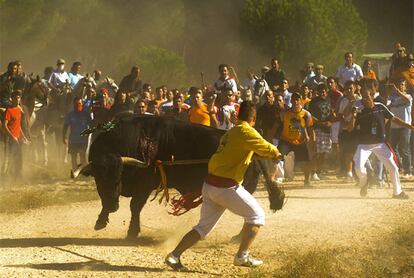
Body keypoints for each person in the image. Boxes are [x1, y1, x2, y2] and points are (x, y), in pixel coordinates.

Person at [165, 101, 283, 271]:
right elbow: (265, 146)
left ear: (238, 115)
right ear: (253, 119)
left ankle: (174, 256)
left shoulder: (232, 132)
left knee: (202, 228)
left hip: (210, 185)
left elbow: (249, 148)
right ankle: (242, 256)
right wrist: (277, 154)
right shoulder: (246, 131)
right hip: (225, 188)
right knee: (257, 217)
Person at [350, 88, 412, 199]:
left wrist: (409, 126)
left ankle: (397, 192)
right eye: (363, 97)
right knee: (358, 167)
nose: (365, 99)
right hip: (364, 145)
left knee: (393, 167)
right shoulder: (359, 111)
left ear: (372, 96)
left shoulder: (380, 107)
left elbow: (394, 118)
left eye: (367, 97)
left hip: (380, 144)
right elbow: (350, 128)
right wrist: (353, 115)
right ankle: (364, 182)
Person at [278, 93, 314, 186]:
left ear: (301, 101)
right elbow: (280, 122)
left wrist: (312, 141)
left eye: (298, 99)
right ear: (291, 101)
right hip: (286, 140)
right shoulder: (285, 113)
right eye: (294, 99)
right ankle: (274, 179)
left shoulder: (306, 114)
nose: (295, 101)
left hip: (301, 141)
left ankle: (307, 181)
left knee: (307, 161)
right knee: (277, 156)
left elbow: (310, 128)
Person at [388, 79, 412, 177]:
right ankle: (399, 167)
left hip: (405, 127)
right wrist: (388, 93)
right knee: (393, 149)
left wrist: (397, 91)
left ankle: (408, 171)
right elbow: (386, 105)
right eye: (398, 85)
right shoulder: (392, 97)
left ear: (405, 87)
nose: (400, 86)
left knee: (404, 149)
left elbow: (407, 100)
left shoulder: (408, 96)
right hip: (394, 127)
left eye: (402, 85)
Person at [63, 97, 92, 177]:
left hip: (83, 140)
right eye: (76, 104)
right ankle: (75, 173)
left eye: (79, 103)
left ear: (82, 104)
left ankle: (85, 174)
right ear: (73, 105)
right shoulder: (70, 115)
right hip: (73, 140)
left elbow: (92, 125)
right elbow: (65, 126)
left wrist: (89, 135)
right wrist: (64, 136)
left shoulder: (86, 115)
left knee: (83, 157)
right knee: (73, 157)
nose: (78, 105)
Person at [3, 90, 29, 179]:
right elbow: (4, 125)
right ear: (12, 99)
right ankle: (8, 176)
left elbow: (19, 126)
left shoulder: (18, 110)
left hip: (18, 139)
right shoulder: (9, 111)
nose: (18, 100)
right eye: (16, 98)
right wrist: (13, 136)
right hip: (11, 140)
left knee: (19, 159)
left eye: (19, 98)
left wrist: (24, 137)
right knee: (12, 159)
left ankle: (18, 176)